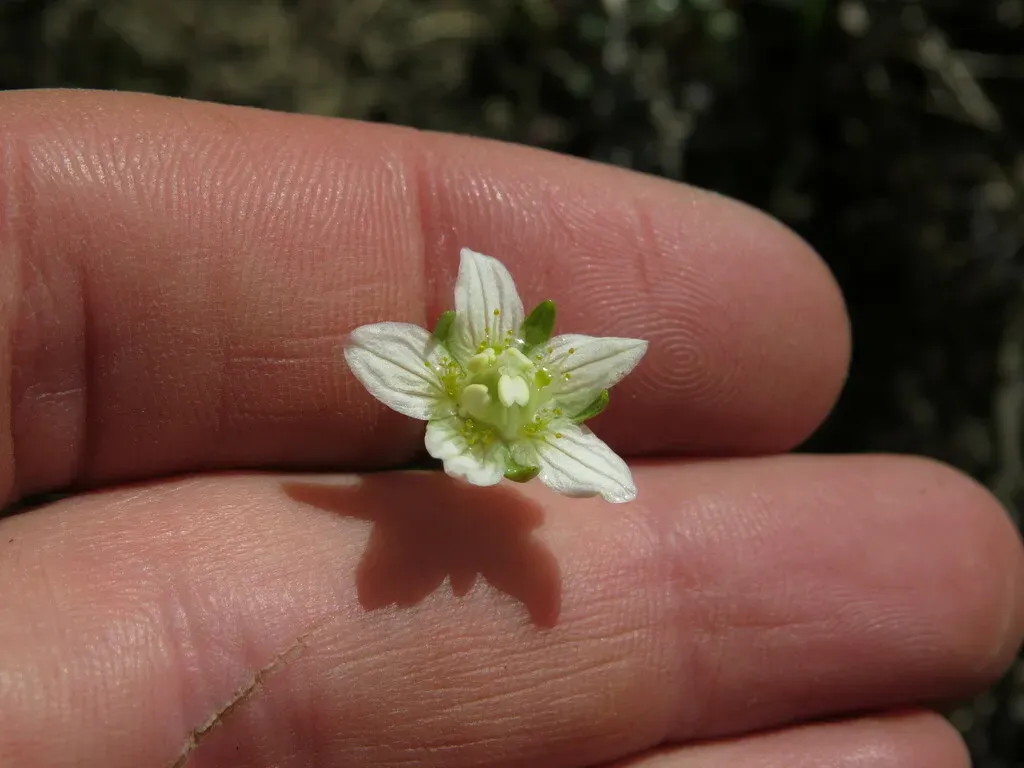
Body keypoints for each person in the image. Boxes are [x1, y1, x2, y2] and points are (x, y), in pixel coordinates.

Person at [0, 89, 1020, 768]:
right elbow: (436, 420)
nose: (512, 379)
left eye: (526, 376)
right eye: (499, 368)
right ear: (475, 349)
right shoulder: (433, 376)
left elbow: (580, 463)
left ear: (544, 375)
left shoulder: (552, 407)